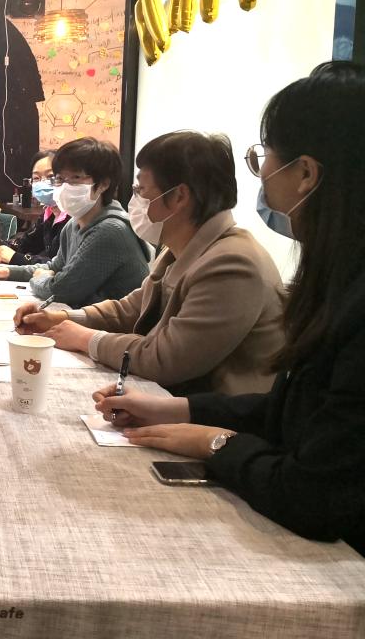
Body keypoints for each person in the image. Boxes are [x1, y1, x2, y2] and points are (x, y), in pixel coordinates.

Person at [93, 62, 365, 554]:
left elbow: (314, 496)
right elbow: (293, 409)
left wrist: (212, 441)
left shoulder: (237, 261)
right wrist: (179, 410)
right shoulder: (335, 277)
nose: (262, 174)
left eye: (263, 157)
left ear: (306, 173)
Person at [15, 132, 284, 395]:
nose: (135, 201)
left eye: (141, 190)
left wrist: (85, 338)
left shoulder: (232, 264)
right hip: (172, 397)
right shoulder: (183, 249)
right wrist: (62, 318)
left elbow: (167, 358)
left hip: (208, 412)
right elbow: (131, 308)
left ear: (179, 197)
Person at [0, 137, 149, 308]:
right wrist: (9, 272)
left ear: (103, 184)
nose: (65, 186)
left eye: (76, 177)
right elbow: (55, 266)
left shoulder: (110, 230)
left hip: (114, 325)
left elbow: (61, 290)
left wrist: (40, 276)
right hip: (84, 317)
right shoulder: (74, 224)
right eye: (59, 179)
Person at [0, 150, 69, 265]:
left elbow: (61, 265)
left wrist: (15, 258)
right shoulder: (48, 215)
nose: (42, 183)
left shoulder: (74, 219)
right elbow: (25, 244)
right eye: (36, 178)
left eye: (50, 176)